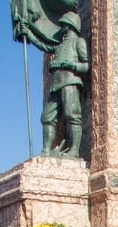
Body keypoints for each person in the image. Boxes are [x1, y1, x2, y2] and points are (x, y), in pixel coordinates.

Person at [40, 11, 88, 157]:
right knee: (47, 117)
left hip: (70, 81)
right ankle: (46, 150)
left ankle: (74, 150)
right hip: (56, 84)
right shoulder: (60, 46)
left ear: (70, 25)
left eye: (64, 25)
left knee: (72, 114)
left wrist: (71, 65)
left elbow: (86, 65)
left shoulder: (78, 42)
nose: (63, 29)